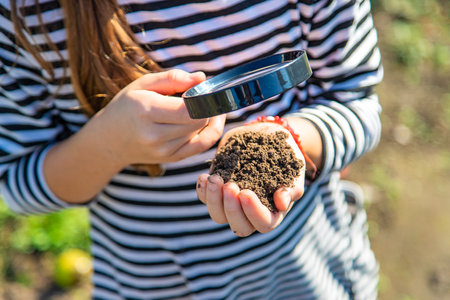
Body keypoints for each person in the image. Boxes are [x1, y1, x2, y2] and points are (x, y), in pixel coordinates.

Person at [0, 0, 383, 299]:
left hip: (305, 275)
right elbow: (15, 182)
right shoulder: (27, 17)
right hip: (148, 285)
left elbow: (359, 100)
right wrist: (108, 144)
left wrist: (294, 138)